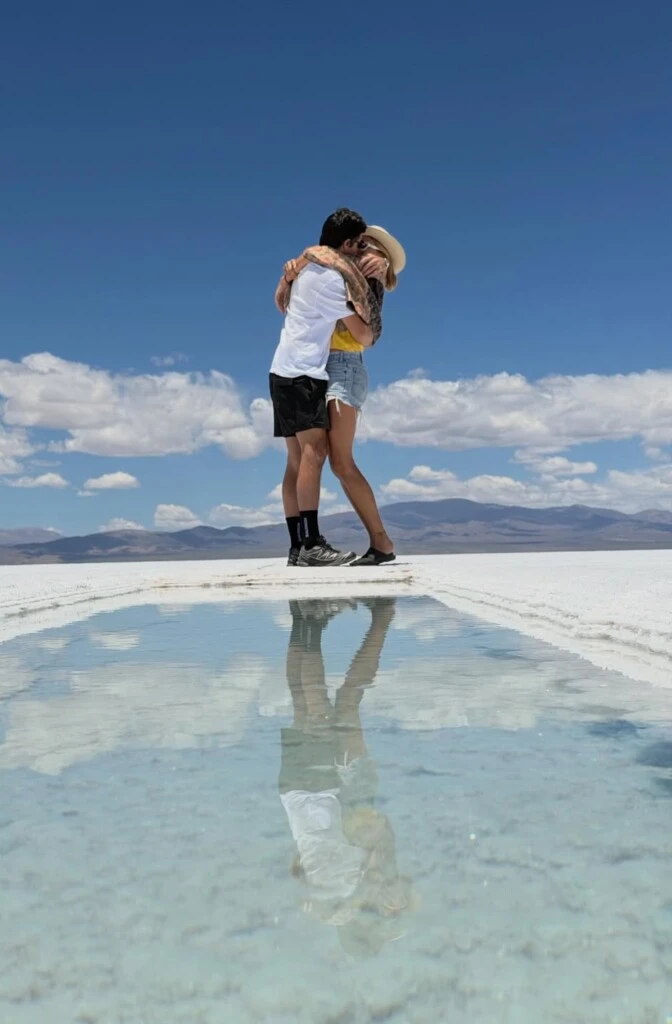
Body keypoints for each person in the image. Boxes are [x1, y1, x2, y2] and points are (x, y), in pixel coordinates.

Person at [278, 598, 418, 956]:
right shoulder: (338, 901)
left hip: (340, 787)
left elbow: (375, 833)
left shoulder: (352, 896)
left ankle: (373, 619)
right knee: (318, 702)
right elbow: (297, 865)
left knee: (331, 700)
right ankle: (314, 622)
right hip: (325, 790)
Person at [282, 225, 406, 566]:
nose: (362, 248)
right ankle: (303, 544)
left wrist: (381, 265)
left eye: (370, 245)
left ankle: (381, 541)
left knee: (339, 460)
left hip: (342, 365)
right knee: (303, 457)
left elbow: (371, 321)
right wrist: (297, 265)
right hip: (316, 365)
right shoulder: (339, 268)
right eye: (359, 242)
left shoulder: (372, 267)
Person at [269, 208, 374, 567]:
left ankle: (297, 546)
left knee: (296, 460)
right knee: (315, 452)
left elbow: (278, 297)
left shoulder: (304, 273)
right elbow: (363, 334)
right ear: (345, 244)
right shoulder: (330, 281)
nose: (361, 250)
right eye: (359, 244)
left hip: (281, 370)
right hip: (303, 374)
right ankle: (312, 543)